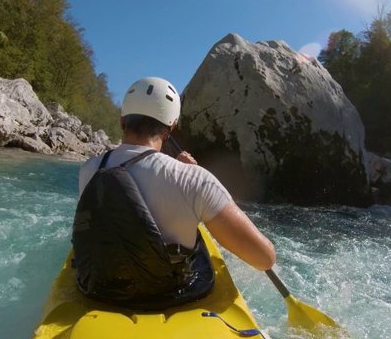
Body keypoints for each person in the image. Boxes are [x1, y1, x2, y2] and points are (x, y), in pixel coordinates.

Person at [76, 77, 275, 306]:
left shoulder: (90, 168)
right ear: (170, 127)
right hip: (167, 293)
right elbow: (264, 258)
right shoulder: (195, 179)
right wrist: (195, 175)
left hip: (102, 288)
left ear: (122, 122)